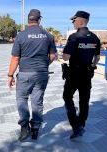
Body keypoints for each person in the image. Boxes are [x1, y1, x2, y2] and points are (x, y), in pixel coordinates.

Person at [7, 9, 57, 141]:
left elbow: (15, 59)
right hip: (41, 74)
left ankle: (24, 128)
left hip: (24, 74)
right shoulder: (48, 35)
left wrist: (10, 75)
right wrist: (43, 65)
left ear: (28, 20)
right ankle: (35, 129)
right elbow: (53, 56)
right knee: (37, 101)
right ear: (39, 19)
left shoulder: (21, 36)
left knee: (22, 99)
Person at [62, 11, 101, 139]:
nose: (73, 23)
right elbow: (97, 57)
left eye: (74, 20)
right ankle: (82, 124)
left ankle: (75, 126)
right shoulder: (95, 38)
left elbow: (66, 57)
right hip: (87, 73)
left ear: (80, 21)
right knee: (84, 100)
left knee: (67, 97)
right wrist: (93, 66)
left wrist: (65, 52)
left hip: (74, 73)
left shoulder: (74, 37)